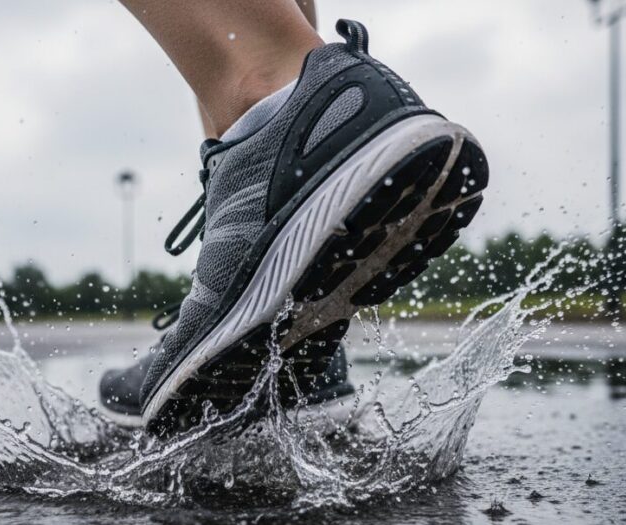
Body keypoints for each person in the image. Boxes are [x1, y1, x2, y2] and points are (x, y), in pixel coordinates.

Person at [99, 0, 488, 434]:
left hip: (306, 103)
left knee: (263, 75)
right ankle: (291, 315)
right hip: (327, 107)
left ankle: (271, 99)